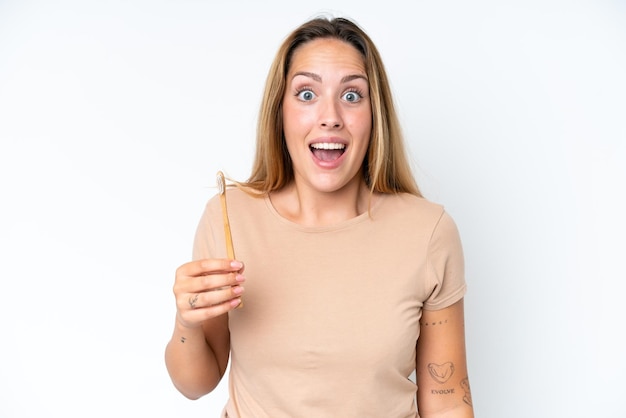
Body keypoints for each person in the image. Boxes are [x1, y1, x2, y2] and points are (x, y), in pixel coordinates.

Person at [165, 15, 474, 418]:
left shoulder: (428, 231)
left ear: (374, 113)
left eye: (351, 96)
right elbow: (195, 384)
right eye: (307, 94)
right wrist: (186, 321)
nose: (330, 116)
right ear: (281, 111)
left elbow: (448, 401)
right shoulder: (229, 218)